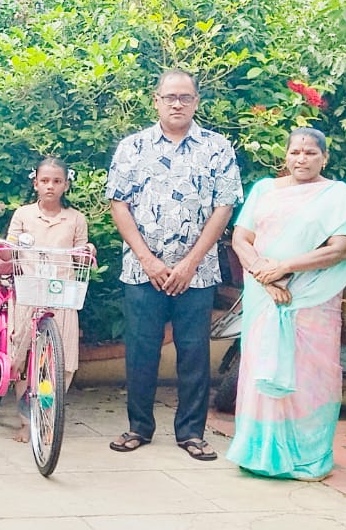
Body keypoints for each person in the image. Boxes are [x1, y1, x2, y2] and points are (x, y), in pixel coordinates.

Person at [106, 70, 242, 461]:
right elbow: (119, 204)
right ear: (156, 101)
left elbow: (224, 206)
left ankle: (192, 433)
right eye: (170, 97)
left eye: (185, 97)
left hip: (196, 273)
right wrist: (148, 261)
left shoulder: (217, 148)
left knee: (194, 352)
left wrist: (189, 263)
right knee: (141, 351)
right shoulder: (133, 148)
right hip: (142, 271)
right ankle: (138, 427)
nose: (177, 104)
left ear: (196, 101)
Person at [225, 128, 346, 481]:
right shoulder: (264, 190)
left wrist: (285, 268)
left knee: (310, 375)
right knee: (261, 367)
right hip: (264, 295)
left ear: (325, 158)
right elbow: (241, 238)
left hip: (311, 298)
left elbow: (342, 248)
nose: (301, 159)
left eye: (310, 153)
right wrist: (265, 276)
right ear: (286, 156)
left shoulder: (338, 197)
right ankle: (259, 454)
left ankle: (306, 457)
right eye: (295, 152)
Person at [0, 157, 90, 443]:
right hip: (29, 293)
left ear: (66, 185)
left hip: (62, 296)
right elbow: (10, 250)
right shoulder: (23, 214)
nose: (50, 186)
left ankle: (46, 419)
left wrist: (88, 251)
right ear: (35, 183)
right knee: (23, 359)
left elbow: (81, 254)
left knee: (63, 361)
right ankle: (26, 422)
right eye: (45, 181)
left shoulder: (76, 219)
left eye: (57, 181)